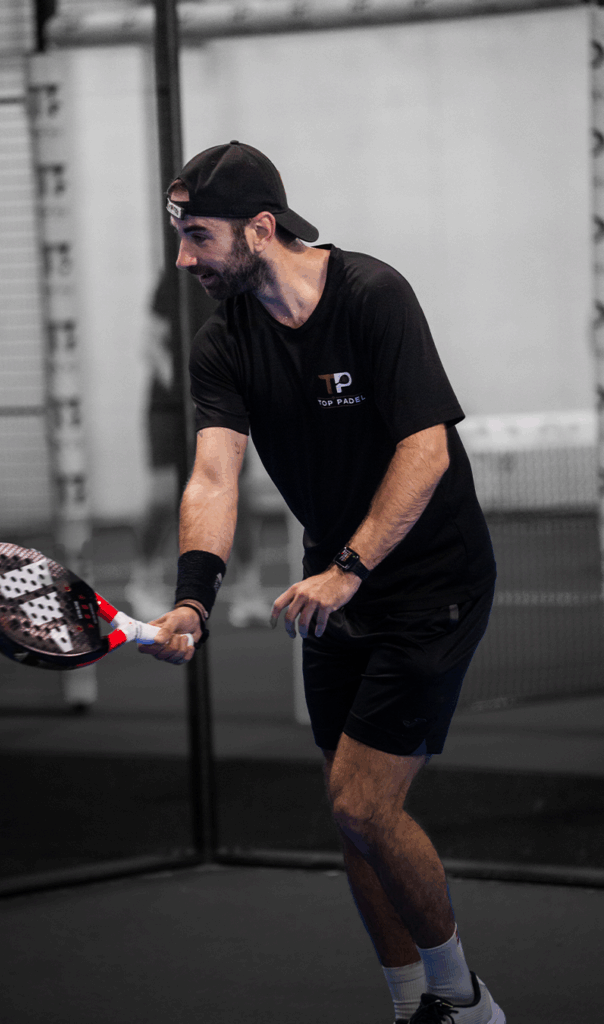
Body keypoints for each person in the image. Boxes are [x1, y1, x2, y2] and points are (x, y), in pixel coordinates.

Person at [138, 140, 503, 1024]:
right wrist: (193, 597)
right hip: (334, 593)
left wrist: (348, 569)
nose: (183, 259)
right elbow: (213, 477)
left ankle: (466, 1003)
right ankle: (410, 1005)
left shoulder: (373, 295)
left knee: (362, 803)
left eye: (198, 236)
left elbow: (425, 449)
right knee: (350, 819)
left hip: (430, 583)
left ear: (260, 228)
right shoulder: (223, 344)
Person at [126, 265, 271, 628]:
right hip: (170, 405)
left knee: (241, 495)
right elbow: (151, 343)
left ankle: (249, 589)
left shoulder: (240, 280)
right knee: (163, 495)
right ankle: (143, 581)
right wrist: (187, 386)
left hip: (222, 402)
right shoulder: (174, 279)